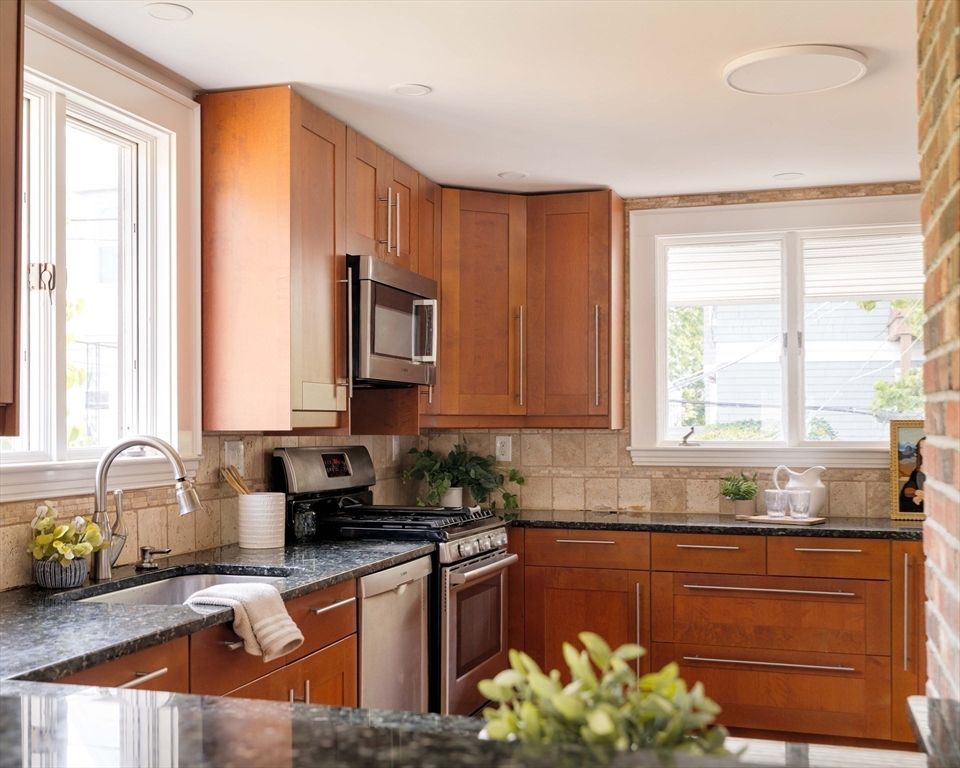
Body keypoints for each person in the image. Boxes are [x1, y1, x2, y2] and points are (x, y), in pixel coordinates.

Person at [899, 437, 926, 512]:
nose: (924, 451)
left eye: (927, 447)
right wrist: (916, 493)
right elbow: (908, 489)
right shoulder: (917, 471)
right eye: (921, 448)